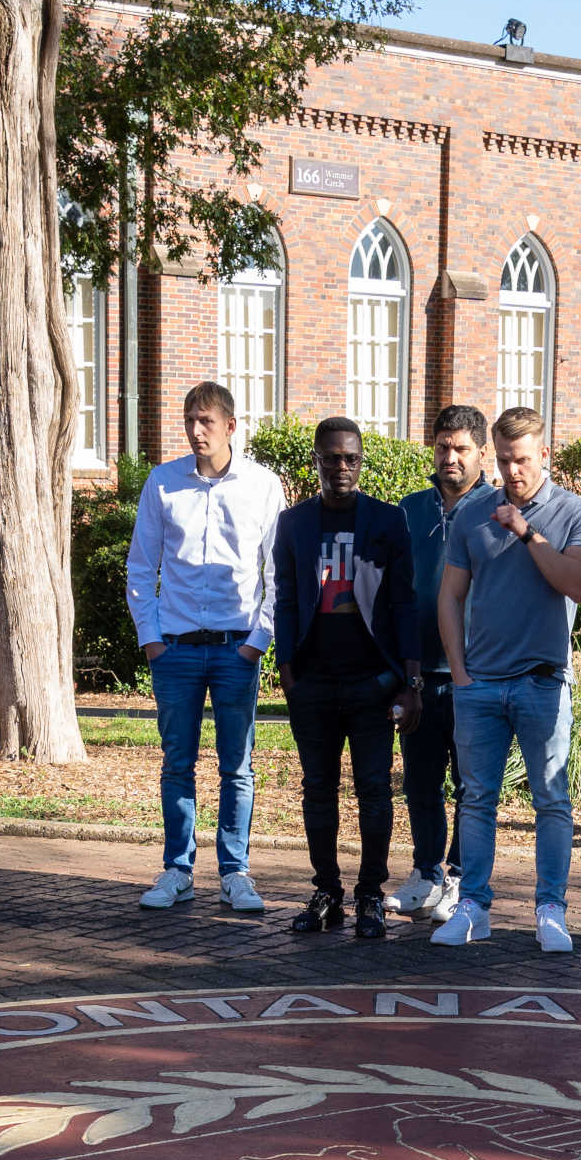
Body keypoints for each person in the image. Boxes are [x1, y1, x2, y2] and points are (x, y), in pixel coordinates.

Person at [432, 406, 581, 951]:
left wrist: (527, 532)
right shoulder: (472, 513)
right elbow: (450, 597)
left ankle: (550, 908)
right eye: (504, 461)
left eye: (523, 460)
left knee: (551, 801)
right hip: (479, 684)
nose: (513, 472)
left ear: (545, 455)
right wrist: (460, 674)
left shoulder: (578, 513)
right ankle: (473, 906)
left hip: (543, 682)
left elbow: (579, 584)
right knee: (476, 797)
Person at [127, 381, 286, 915]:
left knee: (236, 766)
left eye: (207, 422)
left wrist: (258, 641)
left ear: (231, 427)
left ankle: (236, 871)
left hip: (235, 648)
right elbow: (140, 565)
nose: (197, 431)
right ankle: (178, 869)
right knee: (177, 763)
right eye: (190, 420)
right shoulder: (163, 482)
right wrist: (150, 639)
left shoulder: (263, 486)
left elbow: (276, 572)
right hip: (173, 651)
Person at [271, 417, 417, 939]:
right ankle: (327, 890)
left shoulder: (387, 520)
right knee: (318, 791)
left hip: (372, 682)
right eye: (331, 457)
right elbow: (285, 598)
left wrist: (409, 679)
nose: (341, 467)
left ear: (361, 462)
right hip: (312, 682)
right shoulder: (293, 524)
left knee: (375, 791)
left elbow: (404, 603)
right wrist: (287, 671)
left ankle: (370, 896)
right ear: (316, 460)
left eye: (351, 458)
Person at [393, 405, 492, 921]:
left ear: (481, 453)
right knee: (420, 782)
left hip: (478, 675)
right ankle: (426, 871)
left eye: (460, 449)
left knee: (471, 786)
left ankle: (458, 877)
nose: (449, 458)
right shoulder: (409, 511)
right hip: (419, 673)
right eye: (441, 447)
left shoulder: (498, 508)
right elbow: (395, 594)